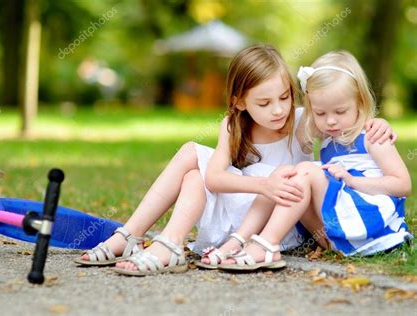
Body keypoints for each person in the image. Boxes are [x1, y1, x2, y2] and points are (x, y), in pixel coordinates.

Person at [74, 45, 395, 276]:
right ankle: (143, 238)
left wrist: (378, 123)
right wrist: (262, 184)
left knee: (191, 155)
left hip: (273, 221)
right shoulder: (232, 126)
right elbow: (214, 179)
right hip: (233, 215)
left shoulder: (302, 122)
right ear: (239, 102)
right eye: (265, 102)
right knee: (191, 164)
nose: (278, 110)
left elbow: (342, 119)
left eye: (284, 97)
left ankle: (145, 240)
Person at [218, 51, 412, 271]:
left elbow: (403, 184)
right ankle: (245, 239)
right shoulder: (328, 138)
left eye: (340, 111)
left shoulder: (372, 136)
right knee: (287, 176)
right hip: (337, 231)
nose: (330, 121)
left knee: (305, 170)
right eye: (320, 113)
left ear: (360, 101)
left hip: (368, 224)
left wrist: (353, 181)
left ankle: (267, 243)